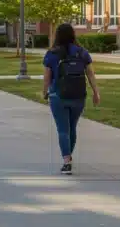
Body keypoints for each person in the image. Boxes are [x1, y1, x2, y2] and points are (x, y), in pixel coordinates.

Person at [41, 23, 100, 175]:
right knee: (72, 128)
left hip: (58, 96)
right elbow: (91, 74)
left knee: (63, 129)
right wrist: (96, 92)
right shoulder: (82, 53)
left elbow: (47, 77)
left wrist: (44, 92)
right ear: (73, 34)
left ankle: (67, 161)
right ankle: (68, 157)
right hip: (78, 96)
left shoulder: (52, 54)